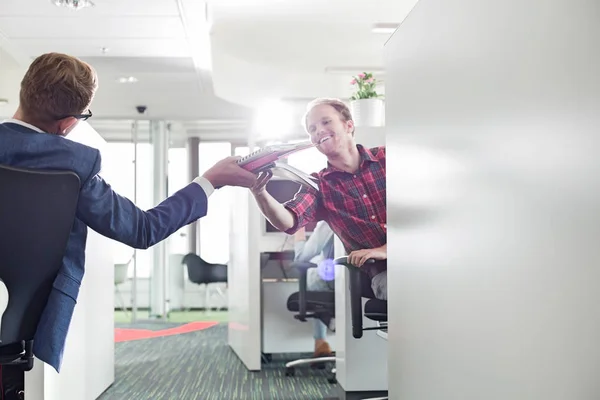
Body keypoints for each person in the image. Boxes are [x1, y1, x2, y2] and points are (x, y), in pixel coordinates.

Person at [0, 52, 256, 399]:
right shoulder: (74, 163)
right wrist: (209, 181)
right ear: (67, 123)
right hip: (26, 318)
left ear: (24, 89)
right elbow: (143, 229)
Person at [250, 97, 387, 302]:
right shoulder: (319, 185)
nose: (318, 131)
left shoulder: (387, 158)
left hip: (425, 257)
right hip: (386, 274)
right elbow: (288, 221)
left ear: (349, 125)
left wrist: (387, 249)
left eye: (326, 122)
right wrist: (259, 192)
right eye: (312, 129)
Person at [293, 221, 335, 358]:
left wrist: (297, 228)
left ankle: (321, 340)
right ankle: (321, 340)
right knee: (320, 263)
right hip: (361, 284)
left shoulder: (329, 222)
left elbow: (301, 257)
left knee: (316, 267)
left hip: (331, 286)